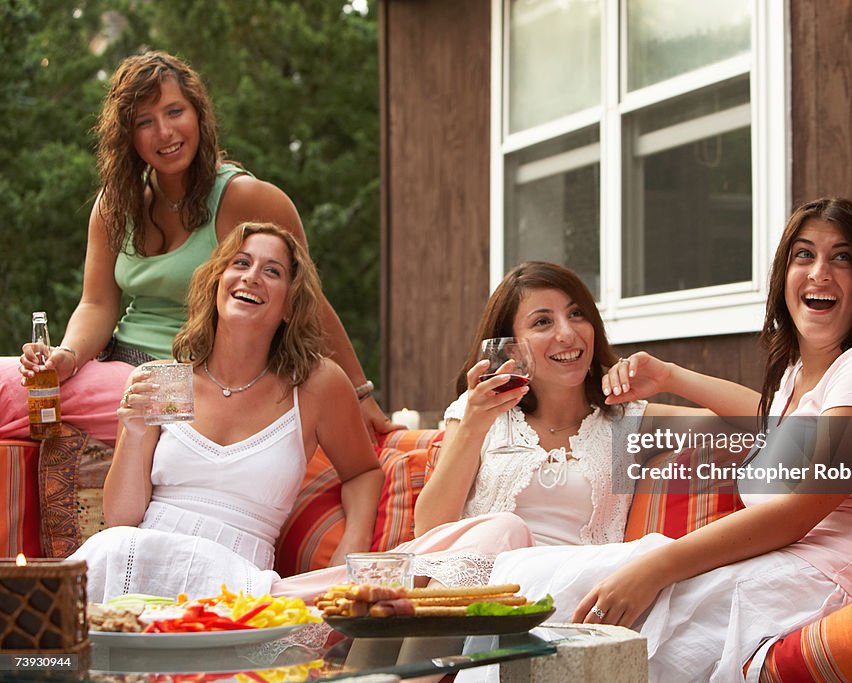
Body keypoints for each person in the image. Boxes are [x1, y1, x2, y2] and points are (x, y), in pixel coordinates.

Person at [486, 198, 852, 682]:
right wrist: (668, 375)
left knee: (611, 616)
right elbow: (767, 420)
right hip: (783, 566)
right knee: (529, 582)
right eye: (804, 255)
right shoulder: (799, 378)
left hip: (825, 579)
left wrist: (660, 565)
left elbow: (796, 512)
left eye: (842, 257)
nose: (820, 273)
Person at [0, 51, 395, 445]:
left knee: (16, 401)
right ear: (128, 137)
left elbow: (307, 301)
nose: (165, 132)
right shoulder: (115, 204)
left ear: (199, 115)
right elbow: (97, 304)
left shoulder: (246, 199)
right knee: (20, 386)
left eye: (175, 112)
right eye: (145, 122)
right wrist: (67, 356)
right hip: (116, 363)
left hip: (194, 385)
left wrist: (358, 394)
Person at [272, 260, 708, 600]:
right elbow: (432, 525)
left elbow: (770, 426)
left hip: (568, 589)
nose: (568, 333)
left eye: (577, 314)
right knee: (500, 529)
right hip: (469, 590)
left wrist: (670, 375)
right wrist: (476, 423)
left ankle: (318, 599)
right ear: (509, 345)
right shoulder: (482, 411)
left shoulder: (627, 420)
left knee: (503, 529)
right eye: (542, 322)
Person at [71, 223, 383, 602]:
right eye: (241, 262)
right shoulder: (163, 380)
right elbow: (121, 518)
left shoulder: (316, 385)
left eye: (272, 271)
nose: (252, 277)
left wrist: (348, 556)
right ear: (217, 282)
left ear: (289, 305)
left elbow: (363, 472)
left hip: (235, 582)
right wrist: (135, 431)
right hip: (136, 560)